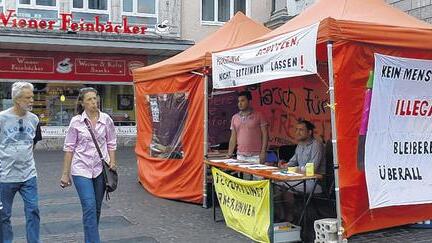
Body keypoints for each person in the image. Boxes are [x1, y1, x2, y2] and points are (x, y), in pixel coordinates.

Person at [60, 87, 117, 243]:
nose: (94, 102)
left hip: (100, 169)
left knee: (96, 209)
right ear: (82, 103)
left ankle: (90, 238)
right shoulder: (76, 122)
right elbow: (69, 148)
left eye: (95, 98)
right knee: (89, 206)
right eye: (89, 99)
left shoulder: (106, 120)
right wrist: (65, 174)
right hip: (80, 169)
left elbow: (111, 142)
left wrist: (112, 162)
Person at [0, 82, 42, 243]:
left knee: (33, 210)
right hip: (5, 176)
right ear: (17, 99)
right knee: (4, 216)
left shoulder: (34, 119)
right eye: (28, 97)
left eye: (32, 96)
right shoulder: (2, 118)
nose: (32, 100)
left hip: (28, 176)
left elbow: (33, 144)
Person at [276, 120, 324, 222]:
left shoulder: (316, 145)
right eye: (296, 129)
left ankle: (290, 217)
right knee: (275, 183)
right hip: (301, 179)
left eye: (301, 130)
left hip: (314, 182)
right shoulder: (300, 145)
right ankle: (281, 214)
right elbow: (293, 162)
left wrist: (292, 169)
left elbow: (312, 169)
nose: (297, 132)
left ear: (309, 132)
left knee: (284, 184)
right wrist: (283, 165)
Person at [227, 91, 268, 164]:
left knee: (258, 175)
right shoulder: (235, 117)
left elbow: (265, 135)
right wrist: (230, 154)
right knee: (242, 176)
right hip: (240, 155)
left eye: (243, 100)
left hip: (256, 155)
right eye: (238, 101)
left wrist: (263, 152)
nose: (240, 103)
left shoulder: (259, 115)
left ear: (249, 101)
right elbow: (233, 138)